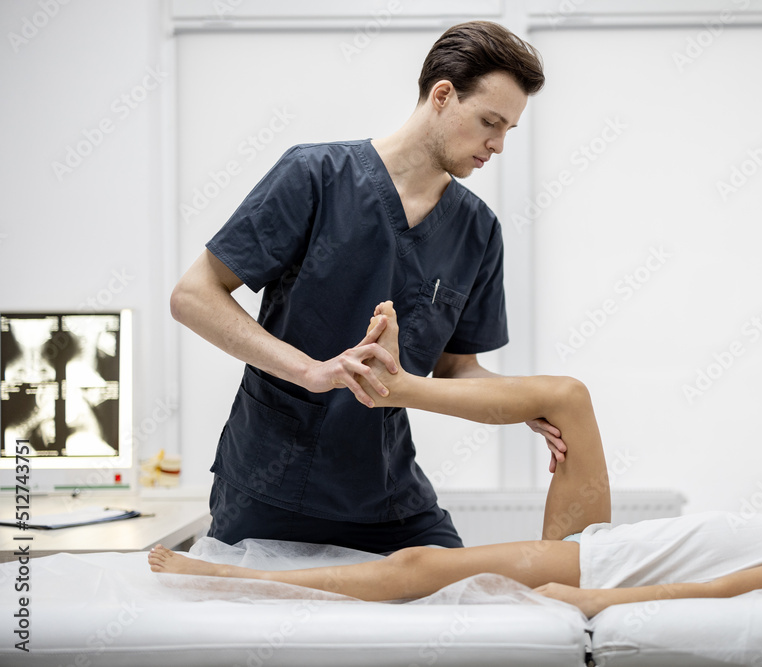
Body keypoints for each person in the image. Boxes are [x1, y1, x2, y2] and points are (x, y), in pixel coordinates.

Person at [149, 302, 762, 618]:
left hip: (601, 562)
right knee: (571, 398)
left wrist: (588, 597)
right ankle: (397, 387)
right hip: (608, 543)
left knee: (417, 564)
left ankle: (227, 577)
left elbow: (710, 593)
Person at [170, 22, 557, 551]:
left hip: (387, 493)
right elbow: (194, 295)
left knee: (468, 603)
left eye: (510, 129)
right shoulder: (316, 175)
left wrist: (523, 403)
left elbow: (457, 369)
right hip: (268, 485)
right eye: (491, 122)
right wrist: (310, 371)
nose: (499, 144)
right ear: (442, 95)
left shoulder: (477, 230)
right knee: (251, 623)